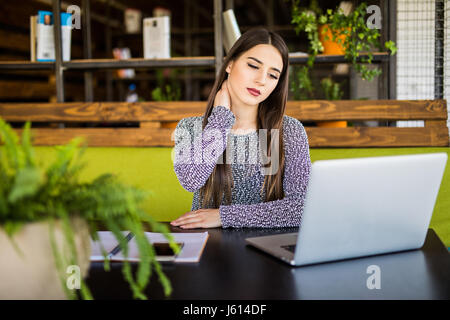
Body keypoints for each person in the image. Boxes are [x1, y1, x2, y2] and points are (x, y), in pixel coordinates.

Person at [170, 27, 311, 229]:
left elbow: (302, 208)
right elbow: (190, 180)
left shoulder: (290, 130)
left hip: (269, 249)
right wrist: (220, 120)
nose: (261, 80)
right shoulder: (190, 127)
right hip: (209, 247)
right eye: (253, 66)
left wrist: (224, 216)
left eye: (273, 75)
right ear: (229, 64)